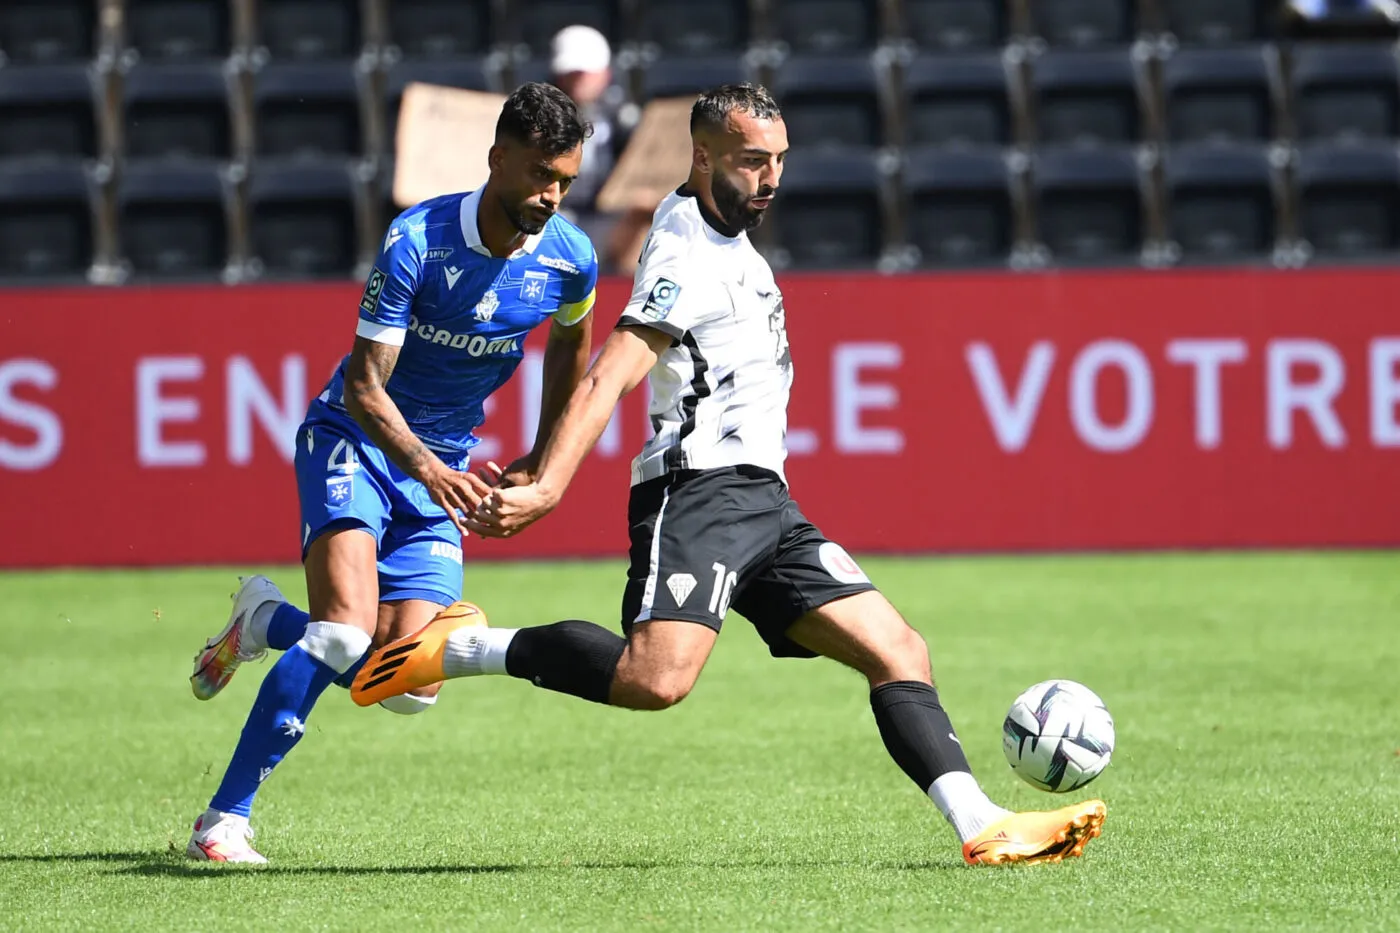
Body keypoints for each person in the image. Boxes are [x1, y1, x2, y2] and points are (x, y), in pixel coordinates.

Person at [350, 84, 1108, 867]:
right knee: (656, 679)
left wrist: (546, 465)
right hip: (700, 491)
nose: (770, 178)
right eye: (752, 161)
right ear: (703, 156)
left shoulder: (731, 238)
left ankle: (980, 824)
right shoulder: (682, 249)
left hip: (765, 502)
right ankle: (466, 644)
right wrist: (549, 482)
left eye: (779, 160)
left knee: (899, 650)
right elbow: (610, 370)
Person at [183, 82, 599, 864]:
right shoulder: (418, 240)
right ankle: (223, 819)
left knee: (407, 683)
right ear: (497, 158)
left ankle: (264, 621)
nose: (552, 194)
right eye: (542, 174)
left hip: (438, 468)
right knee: (342, 632)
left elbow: (573, 349)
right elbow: (367, 387)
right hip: (356, 439)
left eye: (566, 180)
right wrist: (431, 470)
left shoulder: (570, 259)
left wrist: (544, 456)